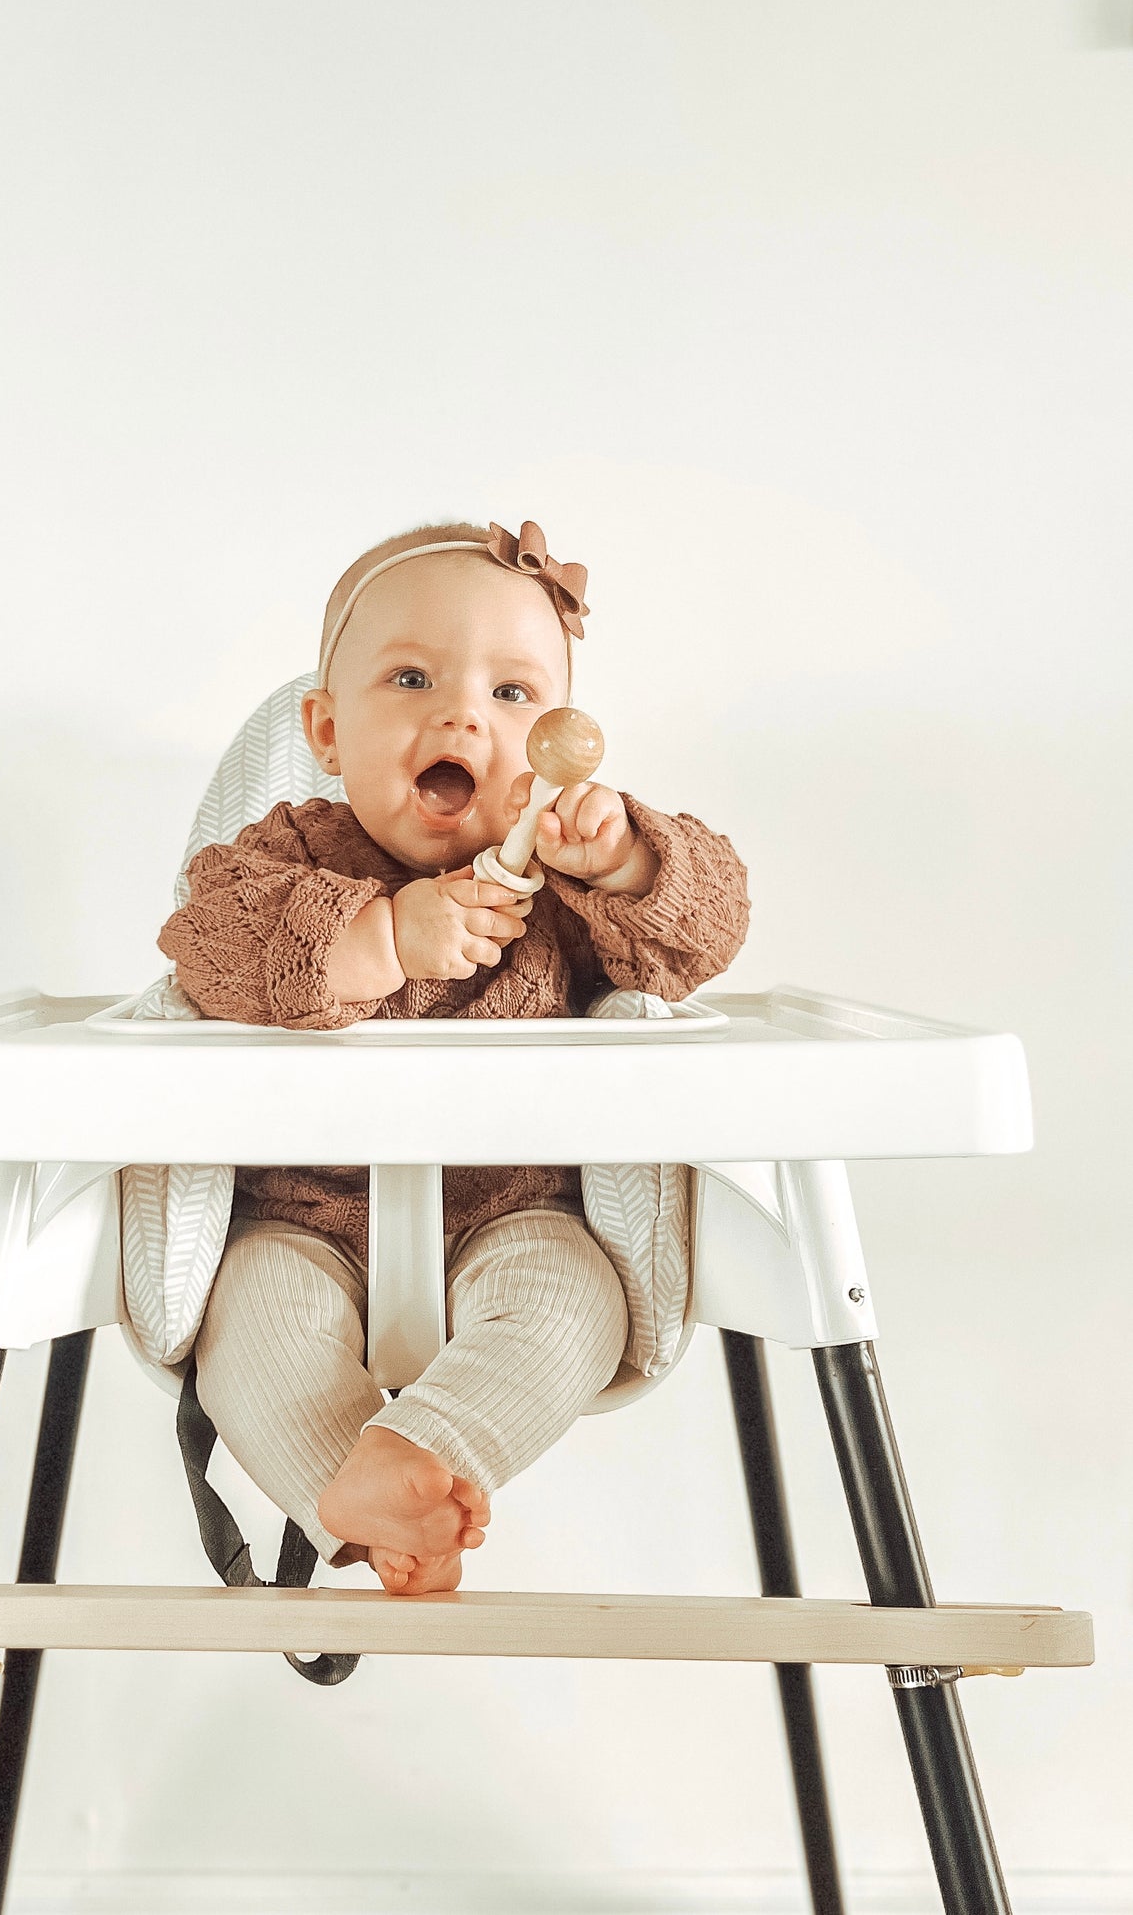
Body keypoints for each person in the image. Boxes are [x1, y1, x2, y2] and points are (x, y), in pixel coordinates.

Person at [160, 519, 749, 1593]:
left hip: (514, 1207)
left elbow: (700, 938)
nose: (462, 713)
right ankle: (356, 1493)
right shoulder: (281, 853)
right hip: (298, 1213)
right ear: (326, 732)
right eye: (411, 676)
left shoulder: (566, 874)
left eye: (513, 695)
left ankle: (427, 1453)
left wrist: (621, 861)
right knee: (248, 1325)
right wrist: (382, 937)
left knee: (575, 1299)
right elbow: (206, 943)